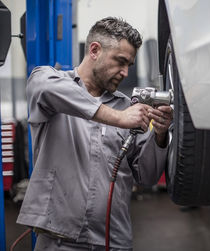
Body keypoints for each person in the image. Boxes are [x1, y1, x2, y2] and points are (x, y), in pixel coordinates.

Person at [17, 17, 173, 250]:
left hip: (113, 240)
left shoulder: (127, 107)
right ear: (94, 50)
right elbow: (43, 87)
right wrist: (118, 118)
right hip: (59, 240)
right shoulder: (49, 82)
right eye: (120, 61)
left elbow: (147, 177)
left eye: (129, 65)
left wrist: (159, 136)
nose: (124, 72)